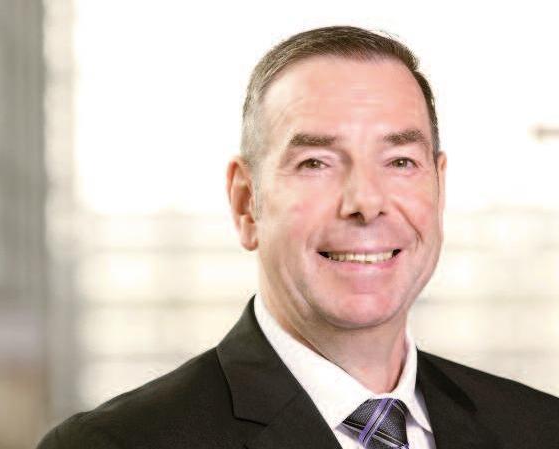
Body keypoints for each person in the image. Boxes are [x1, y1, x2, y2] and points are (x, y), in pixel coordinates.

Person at [37, 26, 559, 448]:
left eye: (400, 161)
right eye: (316, 163)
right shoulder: (112, 444)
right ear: (246, 203)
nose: (366, 201)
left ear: (439, 189)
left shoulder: (540, 429)